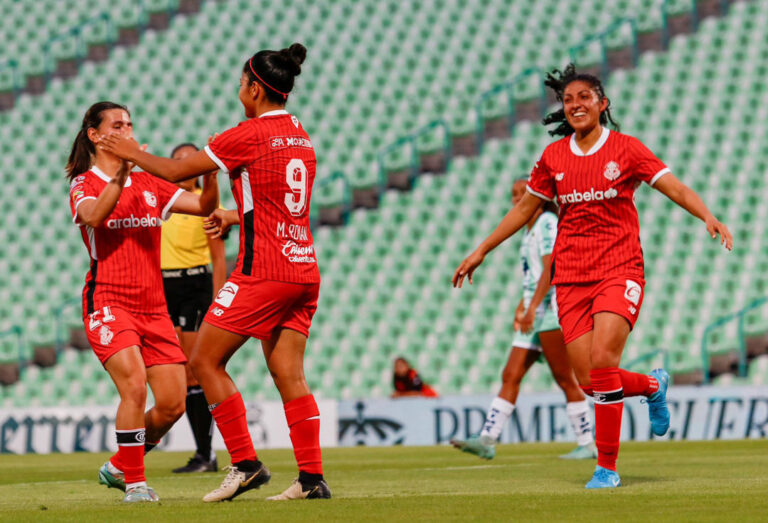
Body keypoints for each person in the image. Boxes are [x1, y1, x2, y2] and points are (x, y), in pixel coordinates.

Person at [452, 64, 732, 489]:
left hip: (619, 270)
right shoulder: (553, 158)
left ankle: (607, 467)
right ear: (563, 110)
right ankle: (653, 385)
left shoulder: (626, 149)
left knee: (603, 362)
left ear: (603, 104)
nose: (576, 104)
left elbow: (673, 186)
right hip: (571, 279)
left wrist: (707, 215)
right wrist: (481, 250)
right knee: (588, 380)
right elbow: (525, 208)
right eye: (568, 100)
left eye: (585, 97)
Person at [99, 43, 331, 502]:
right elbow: (277, 198)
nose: (237, 89)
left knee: (204, 362)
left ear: (256, 89)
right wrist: (234, 216)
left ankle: (245, 464)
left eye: (242, 83)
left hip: (263, 269)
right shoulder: (299, 133)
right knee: (290, 374)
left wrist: (128, 151)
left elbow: (173, 169)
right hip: (303, 266)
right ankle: (311, 479)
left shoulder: (246, 133)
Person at [67, 101, 219, 502]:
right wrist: (121, 176)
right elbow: (96, 216)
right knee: (133, 387)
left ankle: (118, 465)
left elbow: (203, 207)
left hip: (154, 308)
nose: (128, 130)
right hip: (109, 302)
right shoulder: (85, 183)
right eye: (118, 125)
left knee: (172, 404)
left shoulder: (150, 183)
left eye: (130, 124)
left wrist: (211, 171)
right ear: (95, 135)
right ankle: (134, 483)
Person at [451, 178, 595, 460]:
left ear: (539, 197)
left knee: (565, 378)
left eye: (523, 194)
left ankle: (588, 443)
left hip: (550, 311)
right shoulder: (529, 230)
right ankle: (487, 439)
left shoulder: (547, 224)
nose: (518, 199)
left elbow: (551, 267)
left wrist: (533, 308)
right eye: (514, 194)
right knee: (511, 374)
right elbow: (532, 276)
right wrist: (523, 305)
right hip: (534, 312)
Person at [161, 143, 227, 474]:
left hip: (195, 288)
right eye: (177, 162)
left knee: (192, 371)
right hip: (164, 288)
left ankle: (206, 454)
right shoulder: (165, 203)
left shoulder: (206, 206)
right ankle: (204, 454)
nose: (184, 166)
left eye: (189, 161)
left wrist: (218, 300)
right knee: (178, 372)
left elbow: (218, 258)